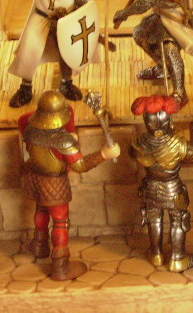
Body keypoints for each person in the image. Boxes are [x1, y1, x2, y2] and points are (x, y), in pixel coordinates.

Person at [19, 90, 120, 280]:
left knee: (41, 209)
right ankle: (61, 266)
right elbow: (79, 165)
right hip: (55, 183)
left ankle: (39, 245)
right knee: (60, 221)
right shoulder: (63, 141)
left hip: (36, 180)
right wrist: (104, 154)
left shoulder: (31, 132)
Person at [129, 94, 193, 272]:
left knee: (154, 219)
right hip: (172, 188)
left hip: (150, 188)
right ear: (168, 120)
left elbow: (132, 153)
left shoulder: (139, 143)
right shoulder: (178, 144)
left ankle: (156, 255)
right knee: (178, 221)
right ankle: (178, 259)